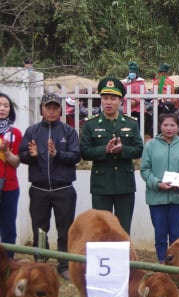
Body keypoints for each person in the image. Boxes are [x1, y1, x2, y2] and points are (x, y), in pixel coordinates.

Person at [18, 93, 80, 279]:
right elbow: (22, 156)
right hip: (39, 189)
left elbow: (76, 156)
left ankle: (64, 264)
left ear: (60, 109)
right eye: (48, 107)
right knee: (40, 229)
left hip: (63, 189)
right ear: (42, 109)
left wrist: (57, 153)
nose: (51, 111)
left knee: (65, 228)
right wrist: (32, 155)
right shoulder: (32, 131)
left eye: (55, 107)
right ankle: (40, 263)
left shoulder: (69, 132)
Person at [80, 77, 144, 234]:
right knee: (102, 229)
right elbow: (84, 151)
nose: (109, 102)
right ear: (101, 100)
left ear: (120, 101)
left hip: (125, 184)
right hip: (101, 185)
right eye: (105, 98)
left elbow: (138, 149)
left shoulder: (131, 123)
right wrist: (105, 150)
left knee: (123, 230)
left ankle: (123, 259)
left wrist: (123, 150)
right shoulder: (91, 124)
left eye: (113, 98)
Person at [141, 111, 179, 263]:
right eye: (165, 125)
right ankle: (162, 263)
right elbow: (145, 170)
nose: (169, 128)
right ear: (160, 126)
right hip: (156, 197)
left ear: (178, 127)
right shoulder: (150, 146)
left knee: (176, 235)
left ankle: (175, 265)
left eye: (172, 125)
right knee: (160, 235)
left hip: (177, 198)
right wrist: (157, 183)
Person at [0, 93, 22, 259]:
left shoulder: (15, 133)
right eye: (0, 105)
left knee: (8, 227)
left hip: (9, 187)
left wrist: (6, 151)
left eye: (6, 105)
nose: (2, 108)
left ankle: (7, 262)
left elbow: (16, 162)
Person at [122, 61, 150, 134]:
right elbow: (122, 93)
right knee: (128, 127)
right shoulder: (124, 82)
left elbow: (143, 93)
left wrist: (136, 101)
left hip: (139, 108)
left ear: (137, 73)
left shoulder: (141, 82)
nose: (132, 73)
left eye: (133, 72)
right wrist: (128, 101)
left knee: (139, 127)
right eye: (131, 71)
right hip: (128, 107)